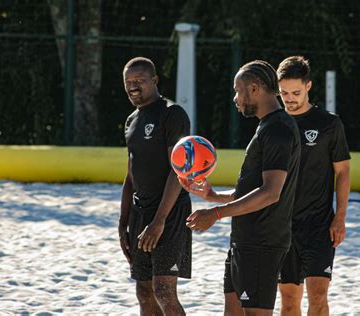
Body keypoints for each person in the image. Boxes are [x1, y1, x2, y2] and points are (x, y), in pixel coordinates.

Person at [180, 60, 301, 316]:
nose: (235, 98)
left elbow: (271, 193)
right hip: (244, 240)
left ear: (255, 89)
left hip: (262, 242)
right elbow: (253, 191)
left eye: (238, 90)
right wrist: (213, 196)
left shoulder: (278, 129)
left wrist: (216, 213)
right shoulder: (267, 126)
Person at [276, 56, 351, 316]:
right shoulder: (274, 124)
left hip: (319, 225)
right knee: (288, 299)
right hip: (283, 225)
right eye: (284, 93)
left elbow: (342, 172)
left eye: (295, 92)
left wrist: (340, 217)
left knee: (318, 296)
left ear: (308, 86)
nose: (289, 98)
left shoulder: (329, 124)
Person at [118, 57, 192, 315]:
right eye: (128, 82)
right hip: (141, 213)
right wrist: (123, 222)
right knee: (144, 291)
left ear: (155, 81)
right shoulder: (131, 121)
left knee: (163, 290)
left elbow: (178, 170)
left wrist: (159, 221)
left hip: (170, 213)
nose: (133, 86)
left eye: (139, 80)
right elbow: (131, 176)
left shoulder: (172, 114)